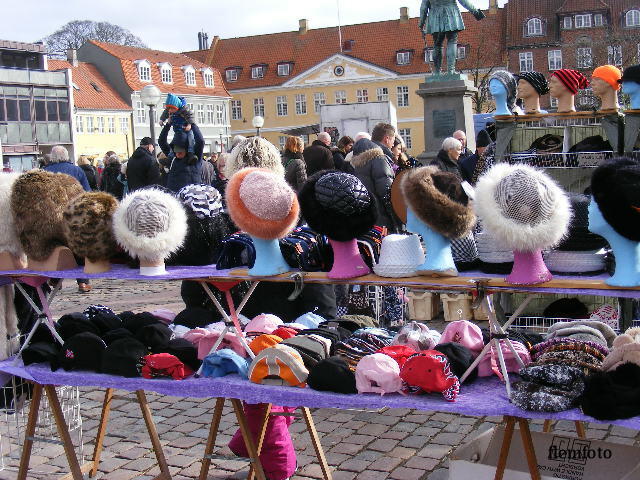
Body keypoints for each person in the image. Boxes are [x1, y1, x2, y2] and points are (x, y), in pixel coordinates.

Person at [43, 146, 92, 293]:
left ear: (52, 157)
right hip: (74, 213)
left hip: (53, 215)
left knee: (56, 247)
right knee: (76, 247)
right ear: (66, 155)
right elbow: (86, 192)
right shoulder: (77, 170)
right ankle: (82, 282)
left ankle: (55, 280)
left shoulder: (46, 172)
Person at [351, 135, 400, 232]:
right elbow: (387, 191)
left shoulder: (354, 165)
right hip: (381, 217)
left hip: (364, 217)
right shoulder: (379, 159)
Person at [160, 121, 204, 192]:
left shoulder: (195, 158)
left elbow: (200, 141)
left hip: (192, 195)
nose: (177, 153)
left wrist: (192, 125)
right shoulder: (173, 158)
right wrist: (168, 125)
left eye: (180, 151)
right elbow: (161, 141)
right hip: (175, 196)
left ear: (186, 149)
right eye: (176, 151)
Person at [159, 93, 195, 160]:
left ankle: (191, 152)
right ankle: (171, 154)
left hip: (185, 128)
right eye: (169, 109)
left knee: (191, 139)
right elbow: (165, 113)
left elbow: (190, 116)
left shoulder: (184, 109)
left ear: (176, 107)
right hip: (177, 130)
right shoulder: (170, 110)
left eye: (172, 109)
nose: (170, 111)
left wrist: (190, 125)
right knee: (175, 141)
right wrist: (162, 120)